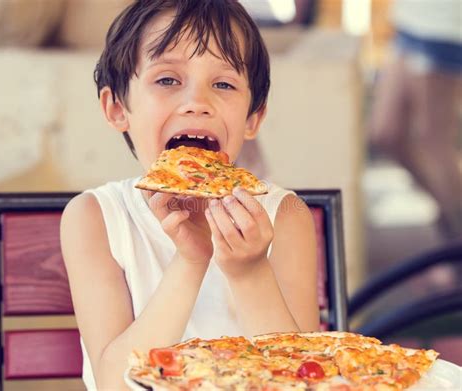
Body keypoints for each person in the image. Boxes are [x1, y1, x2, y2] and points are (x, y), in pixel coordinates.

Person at [60, 1, 319, 389]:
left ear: (253, 118)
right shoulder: (94, 218)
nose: (198, 103)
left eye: (224, 84)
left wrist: (250, 273)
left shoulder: (286, 216)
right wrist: (190, 259)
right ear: (117, 108)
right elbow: (114, 382)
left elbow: (303, 381)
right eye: (167, 80)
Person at [370, 0, 462, 239]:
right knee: (386, 133)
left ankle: (454, 245)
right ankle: (451, 220)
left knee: (434, 146)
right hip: (409, 22)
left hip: (441, 29)